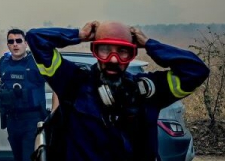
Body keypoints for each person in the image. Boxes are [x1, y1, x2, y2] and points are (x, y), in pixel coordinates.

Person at [26, 21, 210, 161]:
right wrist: (80, 35)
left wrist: (149, 44)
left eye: (123, 51)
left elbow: (196, 70)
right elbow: (36, 38)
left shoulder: (146, 91)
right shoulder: (73, 82)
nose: (113, 59)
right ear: (94, 50)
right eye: (105, 50)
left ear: (133, 54)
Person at [0, 28, 48, 161]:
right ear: (8, 45)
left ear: (26, 43)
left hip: (32, 120)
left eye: (18, 41)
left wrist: (56, 115)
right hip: (12, 120)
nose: (15, 44)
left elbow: (58, 86)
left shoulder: (36, 63)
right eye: (11, 41)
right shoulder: (4, 63)